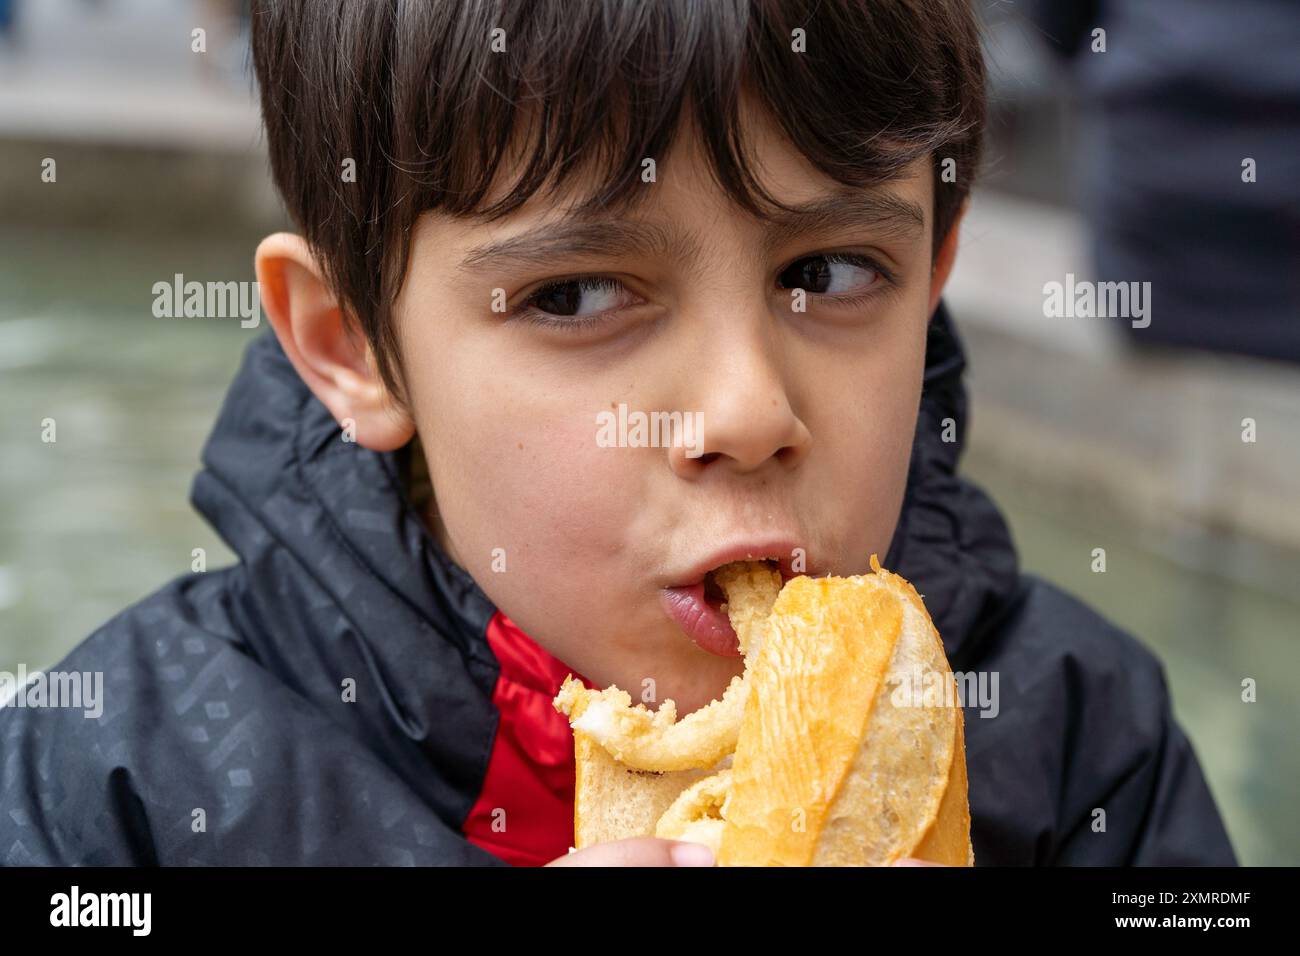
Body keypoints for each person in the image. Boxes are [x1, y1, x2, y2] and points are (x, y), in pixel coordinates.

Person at [0, 0, 1236, 866]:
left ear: (933, 279)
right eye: (577, 294)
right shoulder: (123, 783)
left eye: (834, 270)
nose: (749, 412)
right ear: (352, 346)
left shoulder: (1081, 745)